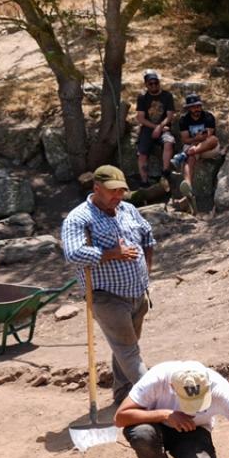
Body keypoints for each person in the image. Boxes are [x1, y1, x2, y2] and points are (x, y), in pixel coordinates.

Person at [61, 165, 155, 403]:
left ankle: (123, 394)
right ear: (96, 189)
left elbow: (147, 236)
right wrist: (112, 253)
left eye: (121, 191)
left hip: (137, 293)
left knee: (126, 346)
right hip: (106, 296)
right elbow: (73, 254)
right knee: (129, 351)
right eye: (112, 191)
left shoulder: (128, 209)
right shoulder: (79, 218)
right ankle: (156, 399)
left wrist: (147, 273)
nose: (118, 196)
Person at [171, 93, 219, 195]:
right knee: (190, 158)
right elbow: (185, 139)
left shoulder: (208, 117)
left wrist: (195, 140)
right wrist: (196, 139)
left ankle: (184, 154)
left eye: (198, 106)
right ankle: (188, 185)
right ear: (189, 108)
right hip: (193, 147)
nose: (196, 109)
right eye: (193, 107)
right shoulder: (184, 120)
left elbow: (208, 136)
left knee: (213, 139)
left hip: (208, 148)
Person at [135, 69, 175, 184]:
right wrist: (155, 127)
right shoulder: (142, 97)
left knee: (169, 142)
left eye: (155, 83)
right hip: (148, 128)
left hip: (164, 127)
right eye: (150, 83)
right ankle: (144, 180)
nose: (153, 85)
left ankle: (165, 172)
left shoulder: (167, 96)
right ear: (146, 84)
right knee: (142, 153)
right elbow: (140, 118)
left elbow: (170, 115)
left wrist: (160, 127)